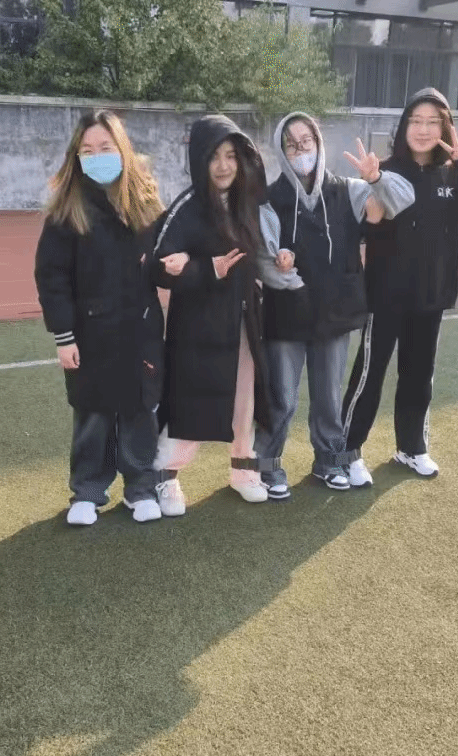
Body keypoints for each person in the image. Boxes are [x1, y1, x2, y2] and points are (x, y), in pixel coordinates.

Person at [341, 88, 458, 481]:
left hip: (431, 295)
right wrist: (371, 186)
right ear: (404, 126)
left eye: (432, 122)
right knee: (369, 374)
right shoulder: (384, 170)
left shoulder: (455, 173)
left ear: (445, 128)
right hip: (386, 295)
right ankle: (346, 451)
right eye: (416, 121)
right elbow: (362, 228)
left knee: (418, 376)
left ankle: (411, 448)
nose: (423, 130)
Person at [254, 112, 415, 498]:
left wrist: (377, 178)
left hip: (334, 314)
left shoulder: (348, 190)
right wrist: (284, 270)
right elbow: (263, 256)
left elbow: (403, 199)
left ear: (318, 143)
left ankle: (329, 461)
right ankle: (267, 465)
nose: (300, 151)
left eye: (306, 141)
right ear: (281, 151)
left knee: (328, 398)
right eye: (291, 145)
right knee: (282, 398)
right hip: (286, 316)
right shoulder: (269, 199)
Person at [35, 110, 167, 526]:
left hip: (140, 328)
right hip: (89, 332)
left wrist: (176, 266)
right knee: (92, 413)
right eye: (88, 150)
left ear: (122, 149)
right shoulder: (67, 209)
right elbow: (51, 276)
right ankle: (89, 490)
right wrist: (64, 336)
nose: (97, 157)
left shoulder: (145, 200)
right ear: (77, 156)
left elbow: (163, 261)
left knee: (139, 410)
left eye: (105, 148)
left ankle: (140, 488)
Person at [148, 114, 272, 515]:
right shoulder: (187, 207)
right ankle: (165, 475)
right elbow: (156, 268)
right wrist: (205, 270)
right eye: (214, 156)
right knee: (193, 399)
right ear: (199, 159)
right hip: (198, 328)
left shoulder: (246, 202)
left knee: (245, 398)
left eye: (231, 156)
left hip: (244, 322)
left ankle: (243, 470)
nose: (223, 166)